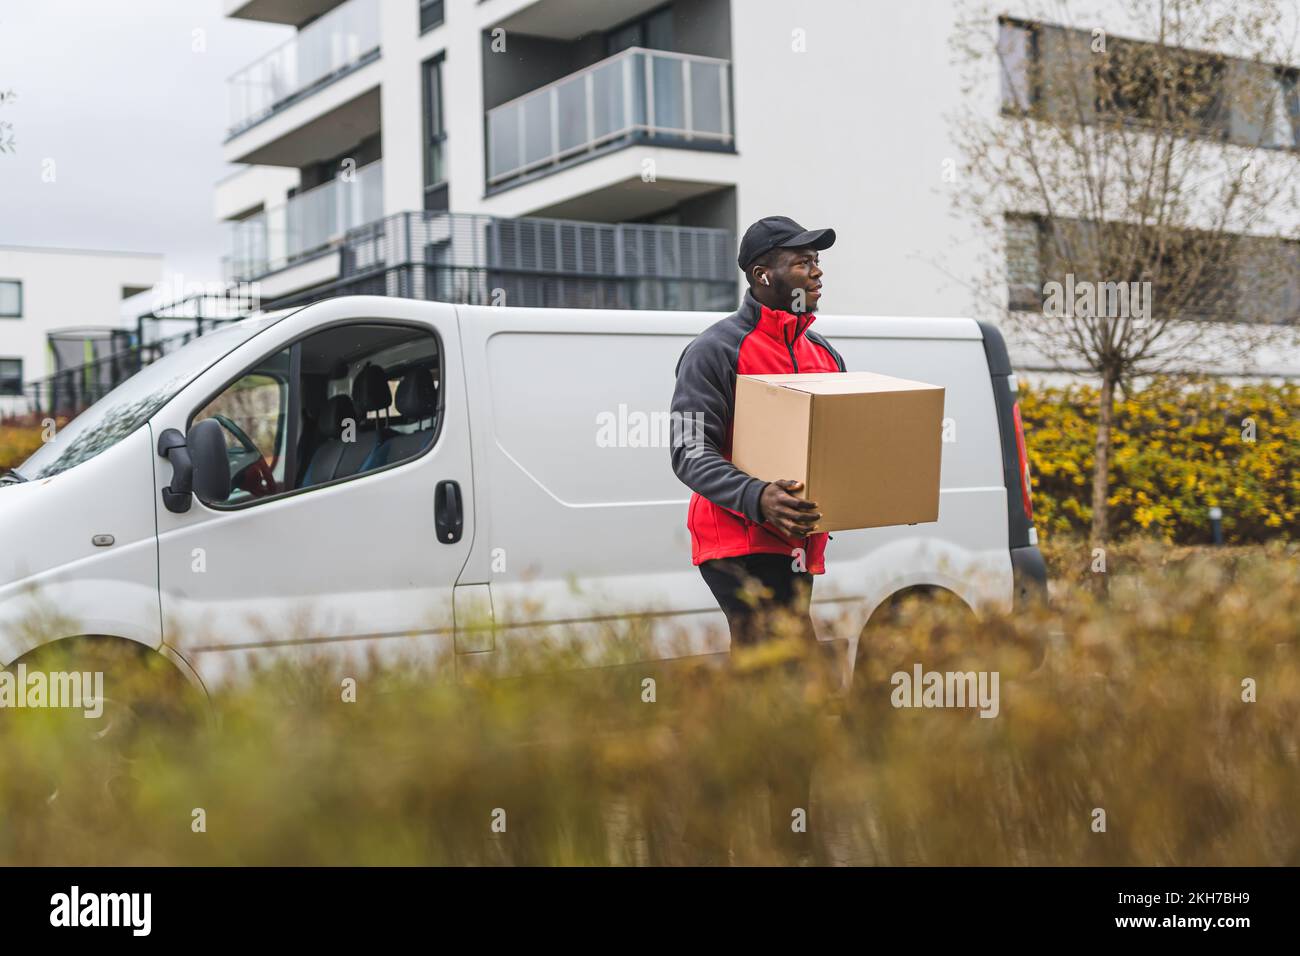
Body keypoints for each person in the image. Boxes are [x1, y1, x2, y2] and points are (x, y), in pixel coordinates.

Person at [669, 215, 846, 859]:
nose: (816, 271)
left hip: (800, 547)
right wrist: (758, 496)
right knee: (787, 667)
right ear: (761, 274)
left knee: (770, 672)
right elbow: (689, 451)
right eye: (802, 261)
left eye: (818, 262)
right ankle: (788, 828)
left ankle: (718, 812)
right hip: (735, 542)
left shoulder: (828, 356)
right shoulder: (715, 350)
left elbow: (835, 456)